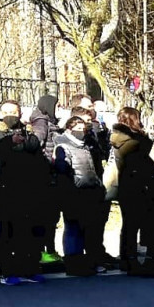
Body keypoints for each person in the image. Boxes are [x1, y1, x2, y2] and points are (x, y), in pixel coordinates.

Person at [0, 101, 49, 285]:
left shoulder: (28, 131)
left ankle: (30, 268)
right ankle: (9, 271)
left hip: (30, 188)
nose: (10, 115)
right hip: (8, 188)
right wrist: (10, 141)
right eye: (6, 112)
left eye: (13, 112)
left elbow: (36, 148)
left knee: (29, 231)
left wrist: (26, 141)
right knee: (10, 232)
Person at [111, 107, 154, 276]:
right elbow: (142, 153)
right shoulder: (133, 140)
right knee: (148, 222)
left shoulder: (118, 138)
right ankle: (144, 260)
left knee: (129, 224)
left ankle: (128, 260)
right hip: (140, 184)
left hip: (128, 184)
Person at [53, 115, 108, 275]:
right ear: (69, 129)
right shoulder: (62, 146)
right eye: (77, 129)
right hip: (72, 193)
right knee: (72, 228)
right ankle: (73, 261)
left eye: (83, 129)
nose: (81, 132)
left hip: (89, 192)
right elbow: (62, 170)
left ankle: (86, 262)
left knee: (87, 228)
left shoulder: (86, 146)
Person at [28, 93, 62, 263]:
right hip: (46, 174)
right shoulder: (42, 122)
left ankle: (49, 250)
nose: (60, 109)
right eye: (57, 106)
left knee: (51, 216)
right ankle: (43, 251)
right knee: (46, 217)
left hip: (50, 173)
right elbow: (36, 143)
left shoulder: (49, 122)